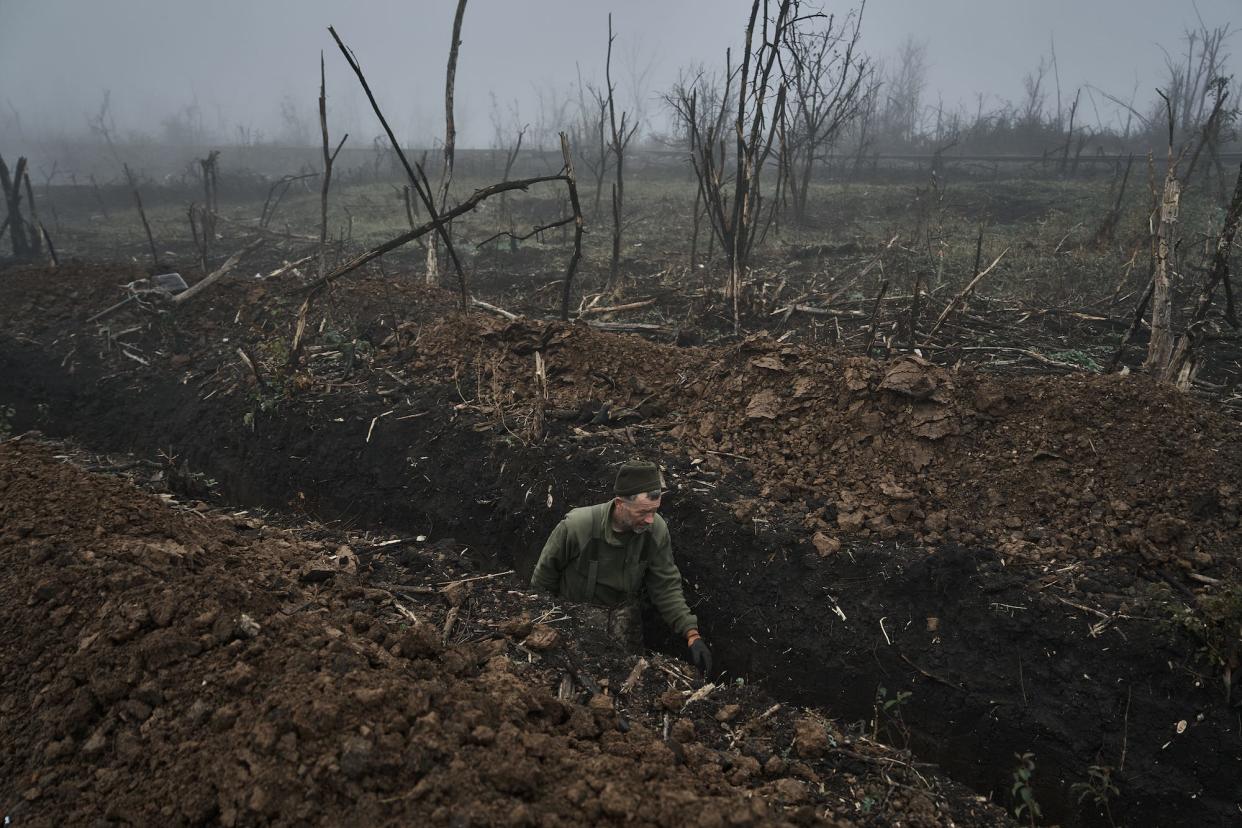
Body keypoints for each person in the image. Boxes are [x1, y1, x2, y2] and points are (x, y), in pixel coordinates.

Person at [530, 460, 712, 676]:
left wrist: (692, 634)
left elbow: (666, 586)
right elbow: (543, 580)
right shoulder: (578, 526)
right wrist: (543, 623)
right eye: (642, 512)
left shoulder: (655, 531)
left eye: (654, 511)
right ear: (620, 504)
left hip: (624, 621)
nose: (650, 520)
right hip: (575, 618)